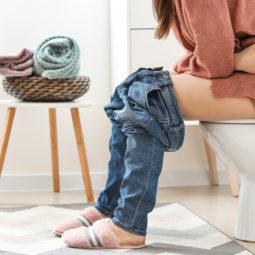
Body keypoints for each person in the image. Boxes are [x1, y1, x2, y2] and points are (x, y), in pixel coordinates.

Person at [53, 0, 255, 249]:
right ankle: (111, 207)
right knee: (128, 91)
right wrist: (236, 59)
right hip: (244, 73)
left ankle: (128, 225)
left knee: (148, 95)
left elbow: (215, 62)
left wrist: (223, 60)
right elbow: (213, 59)